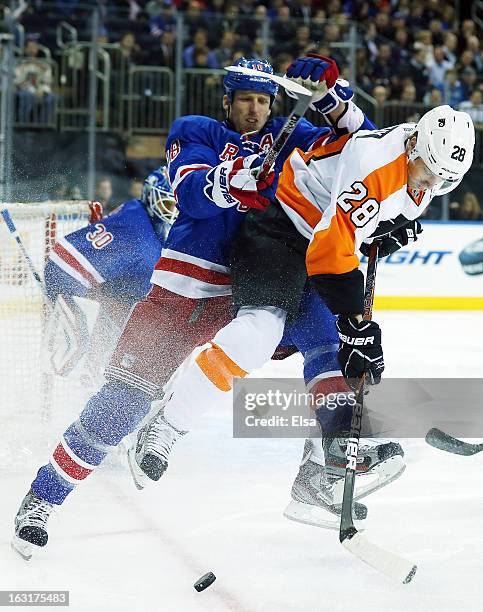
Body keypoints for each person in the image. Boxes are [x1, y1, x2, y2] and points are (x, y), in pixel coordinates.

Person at [12, 54, 379, 558]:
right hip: (181, 292)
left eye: (263, 100)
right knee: (119, 406)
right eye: (245, 99)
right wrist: (236, 179)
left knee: (330, 339)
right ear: (227, 101)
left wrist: (335, 100)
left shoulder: (290, 139)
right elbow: (191, 193)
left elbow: (364, 152)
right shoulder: (196, 130)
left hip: (251, 291)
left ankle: (321, 470)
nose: (254, 109)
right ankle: (43, 498)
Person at [127, 105, 475, 520]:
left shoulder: (423, 171)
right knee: (256, 334)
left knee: (332, 352)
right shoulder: (376, 164)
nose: (432, 183)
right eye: (427, 172)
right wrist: (355, 322)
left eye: (443, 180)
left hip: (320, 239)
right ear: (415, 143)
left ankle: (317, 475)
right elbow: (331, 251)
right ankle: (165, 425)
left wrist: (378, 240)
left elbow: (352, 238)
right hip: (281, 226)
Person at [42, 167, 176, 386]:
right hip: (90, 298)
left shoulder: (147, 224)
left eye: (177, 205)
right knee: (78, 350)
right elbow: (63, 264)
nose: (174, 212)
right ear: (152, 197)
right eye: (168, 204)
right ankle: (69, 388)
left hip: (117, 304)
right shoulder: (137, 230)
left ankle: (93, 380)